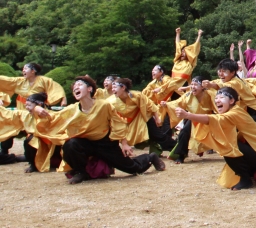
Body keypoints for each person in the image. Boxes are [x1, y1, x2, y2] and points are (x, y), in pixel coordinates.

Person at [32, 75, 165, 184]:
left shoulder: (104, 105)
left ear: (90, 89)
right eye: (74, 87)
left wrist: (124, 143)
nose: (75, 87)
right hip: (86, 143)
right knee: (70, 145)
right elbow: (54, 118)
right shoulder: (72, 109)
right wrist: (36, 109)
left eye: (80, 85)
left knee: (132, 168)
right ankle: (82, 172)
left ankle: (151, 157)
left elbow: (118, 123)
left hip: (106, 143)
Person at [176, 87, 256, 190]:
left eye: (221, 98)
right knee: (227, 140)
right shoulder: (233, 110)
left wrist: (188, 115)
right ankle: (248, 174)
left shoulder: (235, 112)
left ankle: (245, 178)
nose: (217, 101)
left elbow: (215, 120)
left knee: (227, 144)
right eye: (216, 98)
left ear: (232, 100)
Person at [201, 58, 256, 133]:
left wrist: (210, 85)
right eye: (219, 71)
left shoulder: (235, 82)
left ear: (232, 72)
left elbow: (223, 86)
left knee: (234, 131)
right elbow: (216, 82)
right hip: (249, 113)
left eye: (224, 71)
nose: (220, 73)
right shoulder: (230, 79)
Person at [157, 76, 217, 164]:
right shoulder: (188, 95)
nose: (193, 87)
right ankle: (181, 156)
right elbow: (178, 102)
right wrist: (167, 104)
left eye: (196, 85)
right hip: (193, 118)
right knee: (184, 132)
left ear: (202, 86)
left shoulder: (210, 94)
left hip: (207, 118)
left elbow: (217, 105)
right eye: (192, 84)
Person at [109, 78, 169, 150]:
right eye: (112, 88)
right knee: (139, 142)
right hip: (129, 122)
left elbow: (150, 105)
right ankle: (154, 146)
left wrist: (157, 118)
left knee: (158, 135)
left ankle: (176, 148)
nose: (113, 90)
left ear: (123, 87)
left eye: (115, 87)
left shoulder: (137, 95)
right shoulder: (111, 101)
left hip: (144, 117)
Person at [0, 62, 67, 109]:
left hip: (38, 107)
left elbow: (56, 88)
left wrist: (64, 99)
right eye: (23, 69)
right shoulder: (19, 81)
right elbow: (6, 80)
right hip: (22, 108)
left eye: (25, 69)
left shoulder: (44, 80)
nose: (23, 71)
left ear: (33, 71)